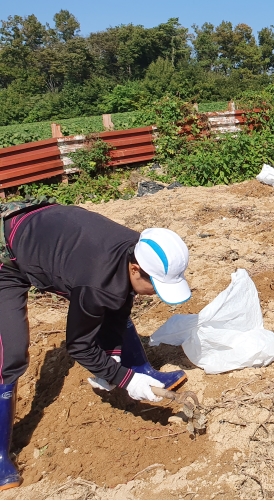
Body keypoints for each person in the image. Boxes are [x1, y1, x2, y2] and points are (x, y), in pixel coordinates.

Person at [0, 201, 192, 490]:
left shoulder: (136, 246)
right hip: (9, 256)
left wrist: (112, 360)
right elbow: (78, 345)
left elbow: (119, 302)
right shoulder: (97, 279)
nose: (155, 294)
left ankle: (142, 368)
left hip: (49, 236)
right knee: (10, 354)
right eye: (155, 286)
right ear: (136, 269)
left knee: (112, 300)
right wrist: (124, 379)